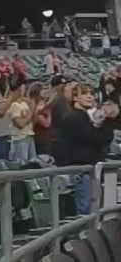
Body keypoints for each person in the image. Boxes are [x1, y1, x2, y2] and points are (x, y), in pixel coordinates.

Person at [54, 84, 120, 214]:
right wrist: (108, 121)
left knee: (90, 207)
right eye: (84, 93)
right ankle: (82, 233)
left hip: (85, 168)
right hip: (80, 169)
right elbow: (96, 139)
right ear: (75, 97)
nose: (90, 96)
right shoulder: (75, 117)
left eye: (91, 93)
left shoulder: (82, 117)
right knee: (85, 209)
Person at [8, 82, 41, 163]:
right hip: (20, 138)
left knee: (32, 162)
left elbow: (32, 122)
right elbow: (20, 124)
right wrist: (31, 111)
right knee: (22, 163)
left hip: (29, 136)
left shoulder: (25, 104)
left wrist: (34, 110)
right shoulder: (14, 105)